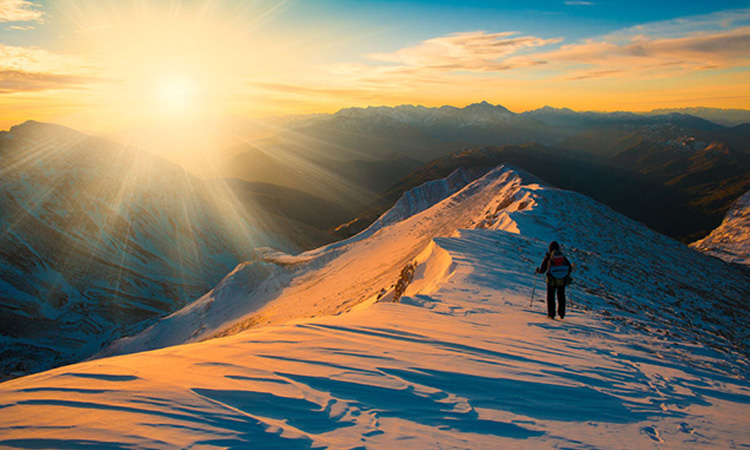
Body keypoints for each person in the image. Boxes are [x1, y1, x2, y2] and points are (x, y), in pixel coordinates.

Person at [535, 241, 573, 319]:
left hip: (551, 280)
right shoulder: (562, 257)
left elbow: (543, 270)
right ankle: (561, 313)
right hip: (561, 280)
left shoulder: (549, 257)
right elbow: (569, 267)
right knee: (561, 295)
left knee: (551, 296)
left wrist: (538, 271)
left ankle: (551, 314)